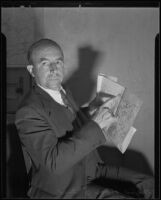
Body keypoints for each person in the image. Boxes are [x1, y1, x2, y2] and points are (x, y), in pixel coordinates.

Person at [15, 38, 154, 199]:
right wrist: (96, 124)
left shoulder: (62, 91)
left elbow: (66, 118)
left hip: (90, 168)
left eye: (58, 62)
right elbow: (54, 163)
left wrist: (93, 108)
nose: (54, 69)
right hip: (62, 189)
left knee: (149, 183)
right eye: (45, 63)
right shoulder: (28, 111)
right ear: (31, 70)